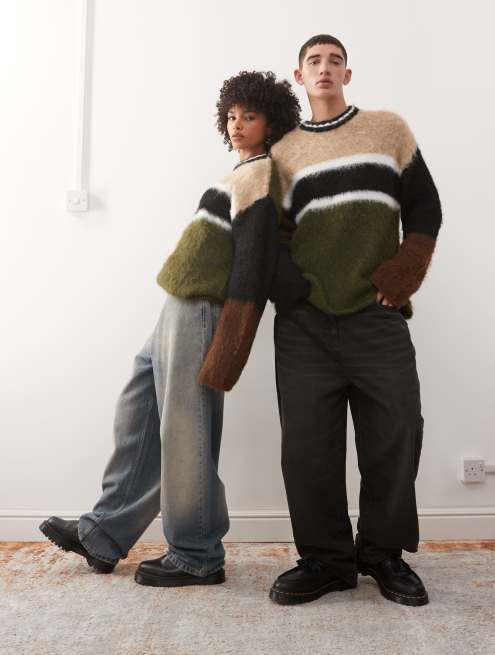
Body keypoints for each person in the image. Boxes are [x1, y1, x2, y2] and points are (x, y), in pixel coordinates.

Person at [40, 70, 302, 588]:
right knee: (138, 412)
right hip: (177, 305)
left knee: (185, 428)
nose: (237, 125)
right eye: (231, 116)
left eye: (250, 116)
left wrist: (231, 344)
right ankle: (104, 533)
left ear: (271, 123)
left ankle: (196, 553)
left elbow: (253, 264)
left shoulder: (264, 174)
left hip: (202, 310)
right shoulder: (241, 171)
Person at [266, 34, 443, 607]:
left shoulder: (388, 131)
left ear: (347, 73)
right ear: (299, 75)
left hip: (376, 314)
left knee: (397, 431)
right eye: (314, 61)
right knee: (307, 449)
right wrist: (292, 292)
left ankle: (383, 555)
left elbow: (425, 206)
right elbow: (270, 235)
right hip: (304, 326)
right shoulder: (283, 151)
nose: (325, 68)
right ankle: (326, 561)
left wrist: (404, 272)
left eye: (334, 61)